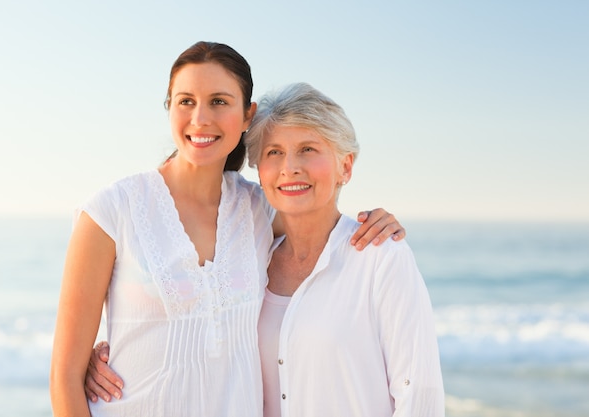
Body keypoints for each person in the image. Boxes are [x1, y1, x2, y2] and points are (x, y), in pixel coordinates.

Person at [50, 42, 405, 417]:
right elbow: (65, 378)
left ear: (248, 114)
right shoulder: (110, 212)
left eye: (219, 101)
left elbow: (325, 223)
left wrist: (377, 221)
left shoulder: (259, 209)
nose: (200, 118)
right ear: (169, 107)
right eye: (186, 101)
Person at [247, 82, 445, 416]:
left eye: (308, 149)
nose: (289, 167)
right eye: (274, 152)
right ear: (260, 171)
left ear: (346, 167)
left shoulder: (382, 257)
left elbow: (419, 394)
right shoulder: (249, 260)